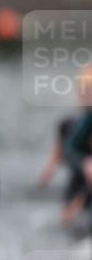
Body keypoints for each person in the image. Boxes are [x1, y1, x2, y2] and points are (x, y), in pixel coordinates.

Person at [38, 66, 92, 224]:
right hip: (78, 182)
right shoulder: (68, 125)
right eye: (83, 89)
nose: (85, 93)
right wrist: (47, 174)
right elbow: (61, 151)